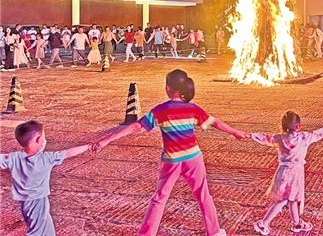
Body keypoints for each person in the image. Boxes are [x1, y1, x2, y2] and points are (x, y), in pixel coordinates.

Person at [91, 69, 247, 236]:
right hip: (194, 158)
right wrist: (235, 132)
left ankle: (146, 234)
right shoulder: (193, 108)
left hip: (172, 160)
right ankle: (214, 231)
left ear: (167, 88)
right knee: (203, 195)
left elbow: (137, 126)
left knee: (160, 198)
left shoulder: (161, 110)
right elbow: (215, 122)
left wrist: (107, 139)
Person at [1, 120, 89, 236]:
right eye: (44, 136)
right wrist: (88, 146)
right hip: (37, 202)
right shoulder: (45, 159)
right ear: (39, 140)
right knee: (37, 232)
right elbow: (67, 153)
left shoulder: (14, 158)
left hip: (26, 203)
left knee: (47, 231)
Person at [252, 111, 323, 235]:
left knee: (292, 199)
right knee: (285, 200)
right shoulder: (304, 137)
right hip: (295, 173)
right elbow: (318, 134)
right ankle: (263, 223)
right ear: (298, 126)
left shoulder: (280, 138)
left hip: (283, 172)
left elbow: (266, 138)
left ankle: (297, 223)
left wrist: (251, 135)